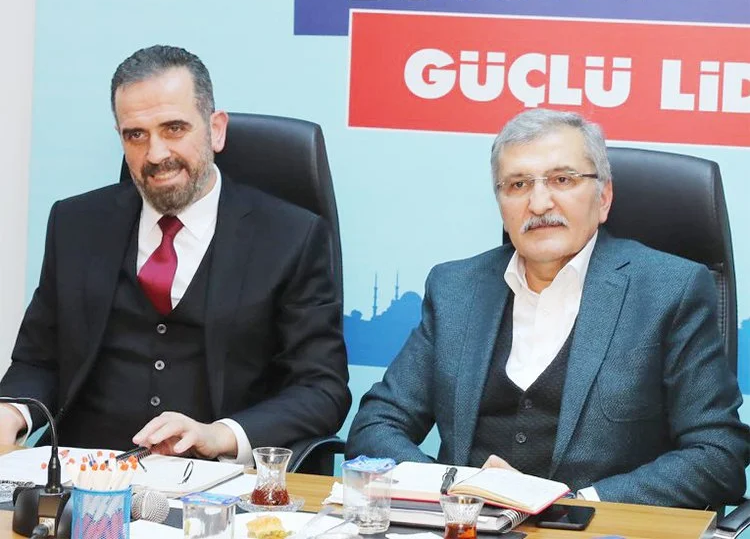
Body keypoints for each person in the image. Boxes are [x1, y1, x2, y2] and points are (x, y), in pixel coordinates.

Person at [346, 108, 749, 507]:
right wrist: (456, 485)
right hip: (468, 526)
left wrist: (575, 503)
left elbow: (717, 453)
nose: (539, 203)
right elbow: (376, 426)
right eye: (518, 184)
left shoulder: (670, 290)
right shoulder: (456, 288)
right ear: (501, 204)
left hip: (597, 529)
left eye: (562, 179)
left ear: (603, 197)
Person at [0, 45, 351, 463]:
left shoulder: (292, 236)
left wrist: (220, 434)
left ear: (216, 129)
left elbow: (321, 388)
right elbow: (38, 360)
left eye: (174, 128)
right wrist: (11, 411)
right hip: (84, 471)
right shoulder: (75, 223)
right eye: (136, 135)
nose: (156, 154)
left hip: (214, 481)